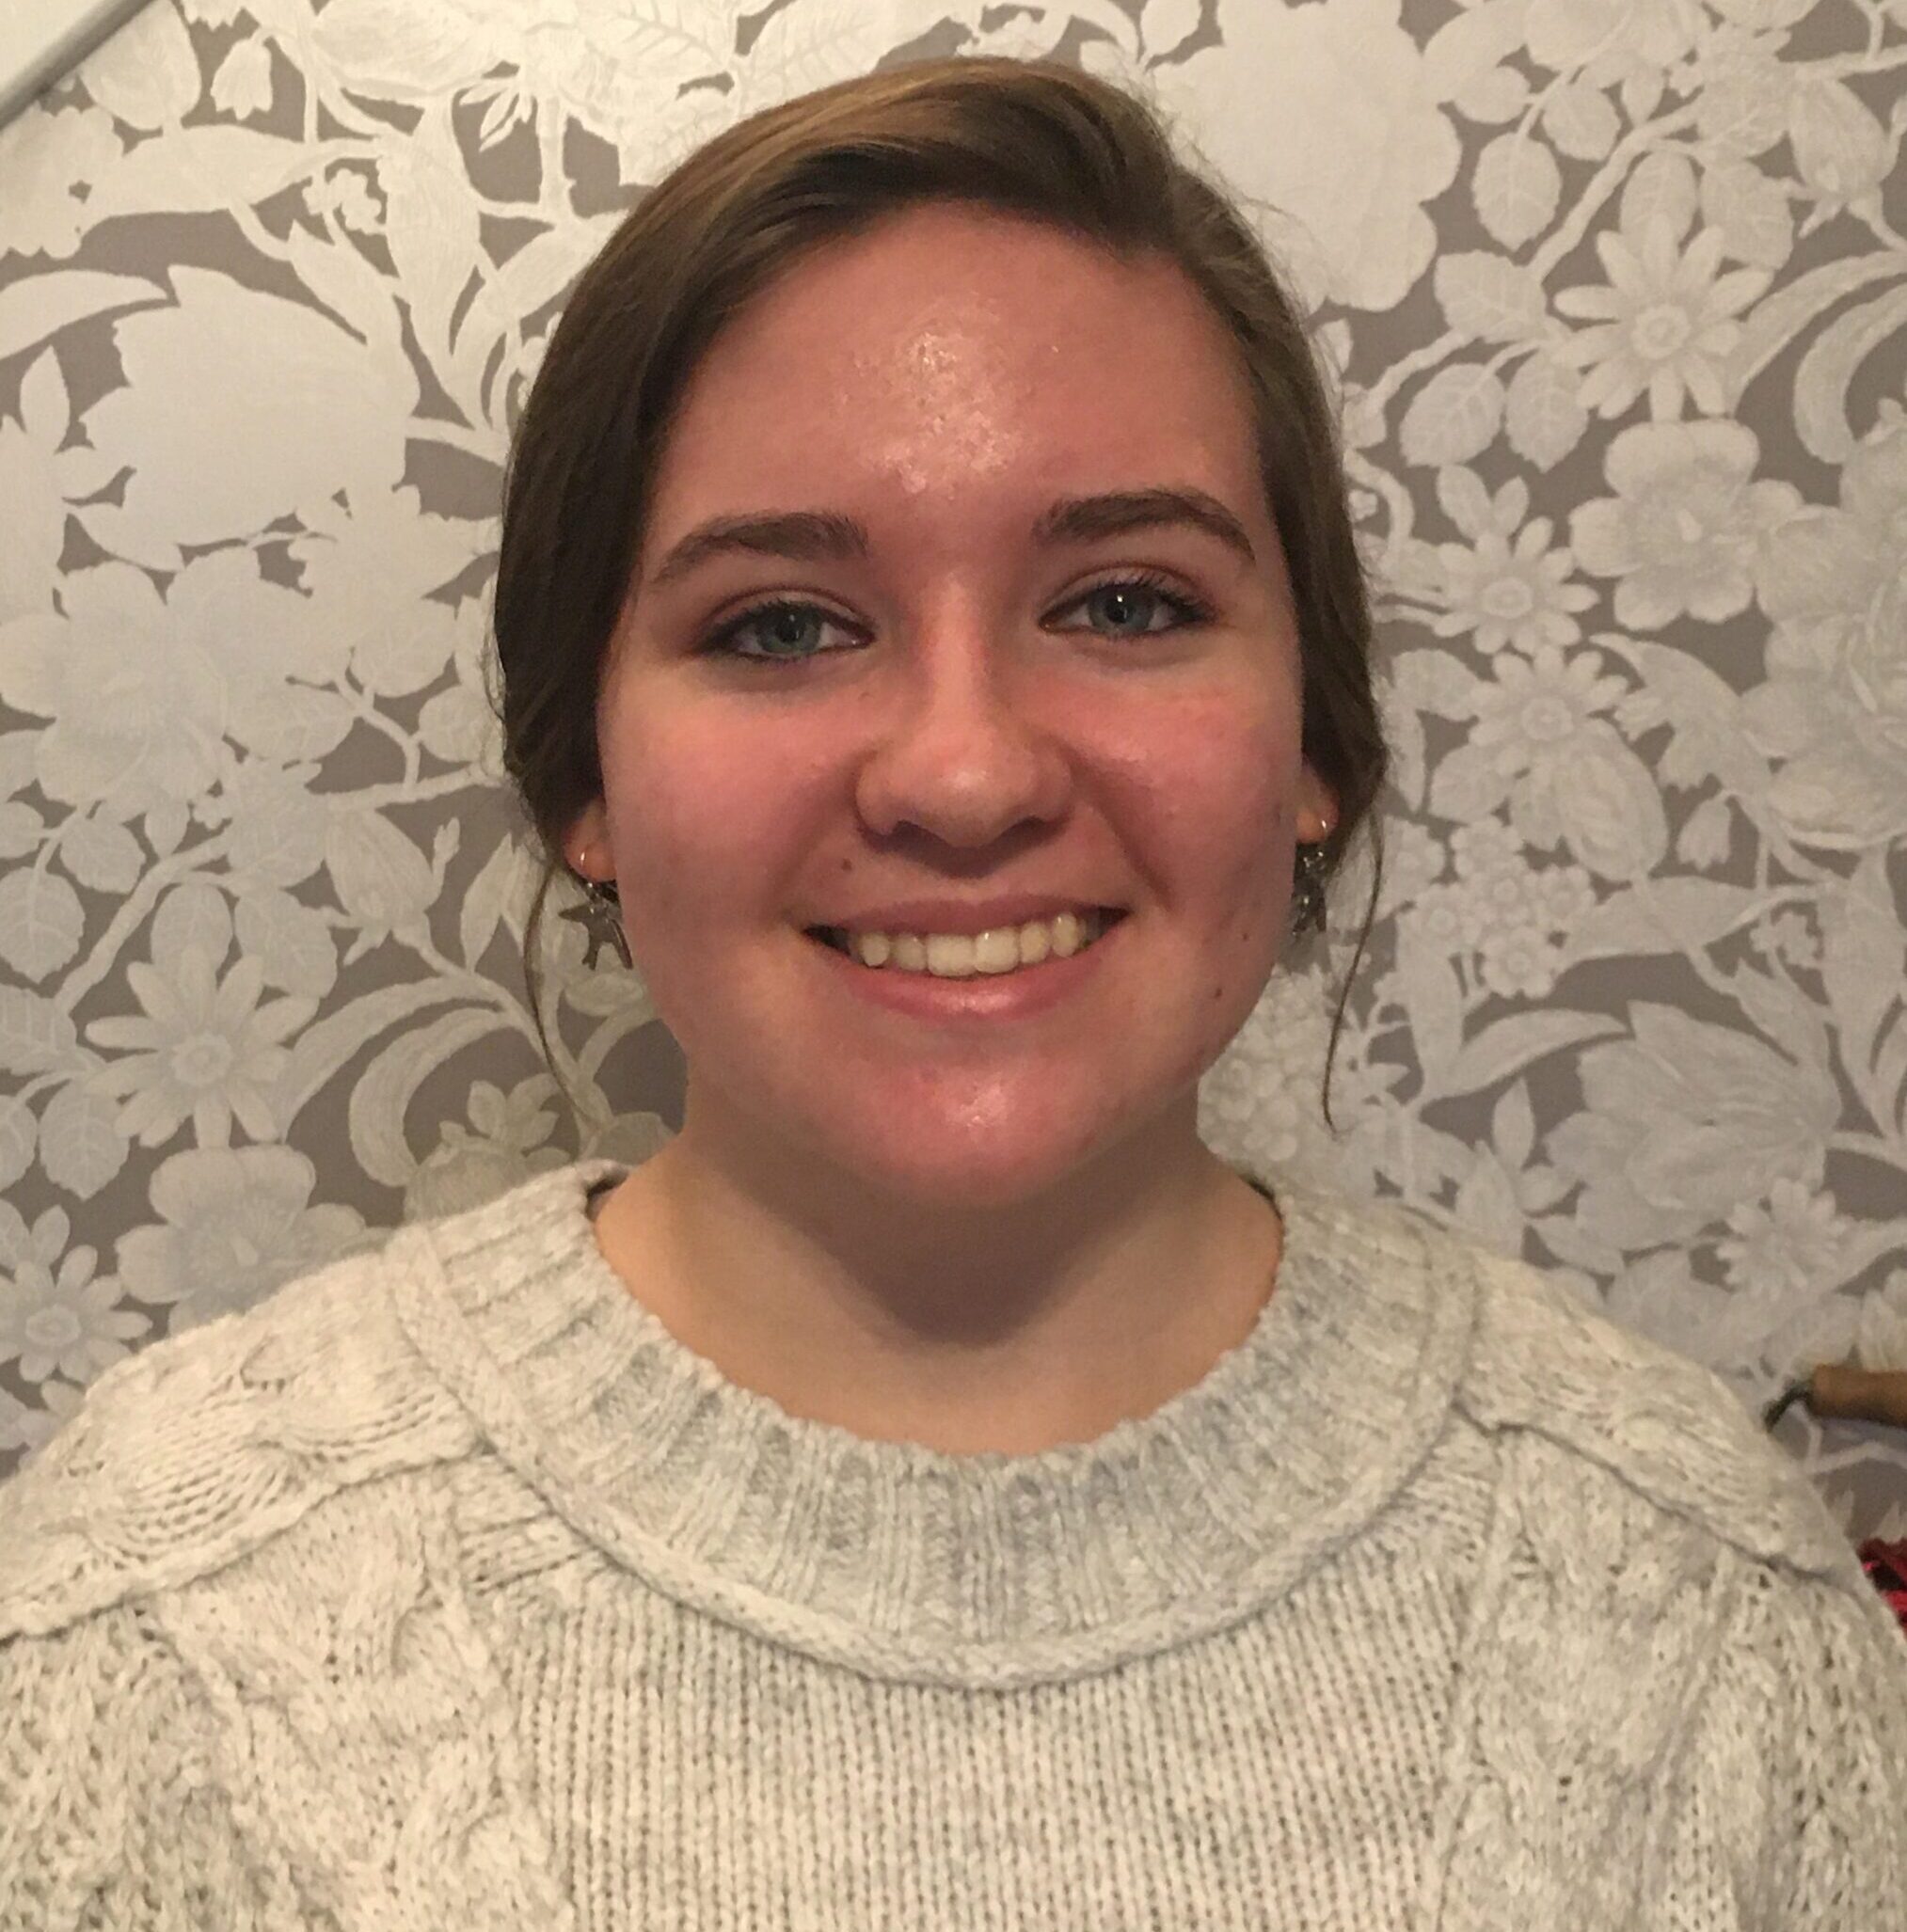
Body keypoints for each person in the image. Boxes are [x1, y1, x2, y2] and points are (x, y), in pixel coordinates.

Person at [2, 54, 1902, 1931]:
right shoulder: (158, 1623)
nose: (968, 773)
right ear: (584, 776)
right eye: (783, 626)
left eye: (1128, 603)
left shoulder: (1696, 1608)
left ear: (1312, 740)